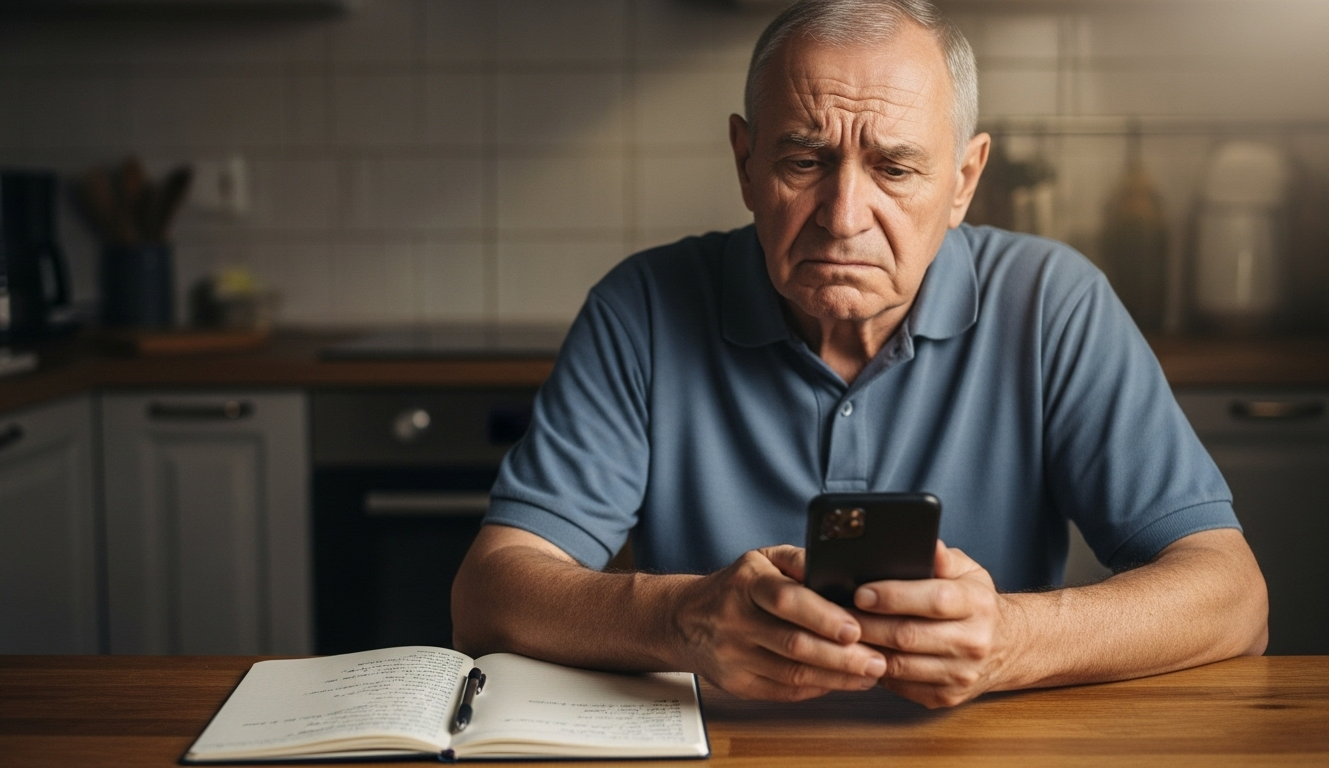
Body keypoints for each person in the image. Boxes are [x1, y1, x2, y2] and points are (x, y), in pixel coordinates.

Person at [451, 0, 1268, 708]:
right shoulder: (644, 307)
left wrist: (1011, 639)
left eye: (896, 167)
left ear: (963, 179)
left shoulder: (1054, 303)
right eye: (805, 161)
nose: (844, 216)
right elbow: (490, 595)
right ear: (745, 162)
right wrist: (682, 620)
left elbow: (1233, 597)